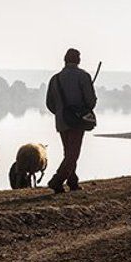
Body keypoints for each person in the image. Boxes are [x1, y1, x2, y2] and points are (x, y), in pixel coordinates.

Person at [45, 47, 97, 193]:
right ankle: (57, 181)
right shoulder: (83, 76)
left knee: (68, 152)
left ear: (65, 60)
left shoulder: (55, 79)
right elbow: (91, 101)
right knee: (73, 154)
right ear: (78, 60)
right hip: (78, 120)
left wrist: (61, 113)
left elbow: (49, 103)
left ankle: (72, 182)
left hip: (61, 120)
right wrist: (81, 111)